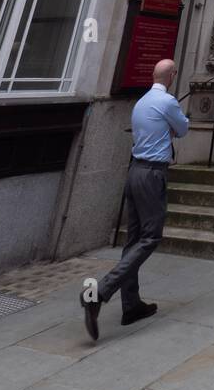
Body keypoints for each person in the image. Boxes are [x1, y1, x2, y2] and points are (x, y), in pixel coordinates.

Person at [81, 58, 189, 342]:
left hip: (134, 171)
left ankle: (131, 305)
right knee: (150, 238)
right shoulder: (167, 102)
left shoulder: (141, 103)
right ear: (173, 76)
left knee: (133, 239)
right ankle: (101, 292)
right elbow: (183, 129)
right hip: (152, 174)